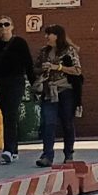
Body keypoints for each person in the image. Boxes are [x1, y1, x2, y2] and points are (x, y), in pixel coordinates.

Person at [34, 24, 82, 168]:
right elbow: (34, 68)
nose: (47, 37)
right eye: (46, 34)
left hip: (65, 91)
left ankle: (69, 154)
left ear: (57, 36)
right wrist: (41, 69)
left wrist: (58, 67)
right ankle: (47, 155)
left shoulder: (69, 51)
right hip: (49, 91)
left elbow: (77, 70)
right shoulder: (43, 52)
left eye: (50, 34)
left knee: (67, 122)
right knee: (48, 123)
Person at [0, 18, 34, 163]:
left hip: (17, 81)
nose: (3, 27)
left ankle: (7, 149)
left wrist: (34, 84)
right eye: (0, 25)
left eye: (6, 24)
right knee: (7, 113)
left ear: (12, 27)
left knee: (11, 113)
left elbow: (28, 63)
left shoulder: (20, 43)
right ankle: (13, 149)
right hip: (1, 82)